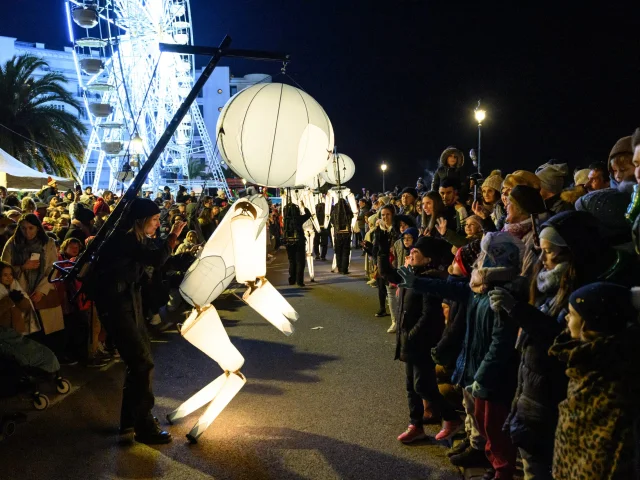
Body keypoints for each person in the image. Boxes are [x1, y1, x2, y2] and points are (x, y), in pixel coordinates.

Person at [398, 232, 523, 479]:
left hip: (493, 374)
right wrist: (417, 282)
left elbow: (500, 343)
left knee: (494, 424)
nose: (479, 262)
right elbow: (448, 287)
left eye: (485, 257)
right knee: (482, 419)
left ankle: (502, 470)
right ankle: (490, 461)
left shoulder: (500, 296)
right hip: (477, 366)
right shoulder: (478, 288)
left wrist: (484, 374)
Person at [90, 197, 186, 444]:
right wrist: (174, 234)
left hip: (129, 303)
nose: (157, 224)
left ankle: (130, 421)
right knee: (142, 363)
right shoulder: (124, 240)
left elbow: (155, 261)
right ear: (141, 220)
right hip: (117, 306)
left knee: (139, 363)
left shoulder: (134, 240)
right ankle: (143, 426)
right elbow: (155, 258)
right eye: (154, 220)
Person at [549, 282, 640, 480]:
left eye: (572, 314)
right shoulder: (583, 361)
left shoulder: (615, 376)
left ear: (590, 323)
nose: (565, 317)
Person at [377, 233, 459, 444]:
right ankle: (416, 425)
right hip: (408, 340)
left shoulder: (429, 279)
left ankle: (451, 417)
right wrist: (381, 251)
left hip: (421, 342)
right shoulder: (410, 274)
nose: (411, 254)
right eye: (411, 251)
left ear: (428, 258)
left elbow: (429, 314)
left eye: (416, 252)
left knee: (423, 385)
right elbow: (388, 274)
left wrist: (412, 335)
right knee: (410, 386)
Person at [282, 201, 311, 286]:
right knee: (300, 262)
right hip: (299, 242)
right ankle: (299, 281)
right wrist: (303, 206)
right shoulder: (299, 218)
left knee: (292, 261)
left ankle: (292, 280)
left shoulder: (286, 220)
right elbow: (308, 214)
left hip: (289, 242)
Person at [330, 197, 353, 275]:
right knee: (345, 252)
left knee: (338, 251)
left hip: (337, 234)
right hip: (346, 233)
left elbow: (332, 221)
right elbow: (352, 216)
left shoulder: (334, 210)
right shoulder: (347, 210)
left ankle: (339, 268)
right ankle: (344, 269)